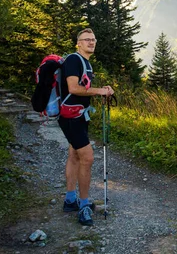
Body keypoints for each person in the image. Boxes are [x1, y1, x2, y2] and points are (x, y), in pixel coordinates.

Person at [58, 28, 113, 226]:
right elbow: (73, 88)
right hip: (71, 117)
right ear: (78, 43)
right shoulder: (74, 60)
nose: (91, 42)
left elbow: (82, 88)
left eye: (93, 39)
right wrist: (99, 91)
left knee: (74, 155)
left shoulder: (86, 62)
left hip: (79, 116)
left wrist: (101, 91)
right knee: (87, 158)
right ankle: (83, 206)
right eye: (86, 39)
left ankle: (70, 200)